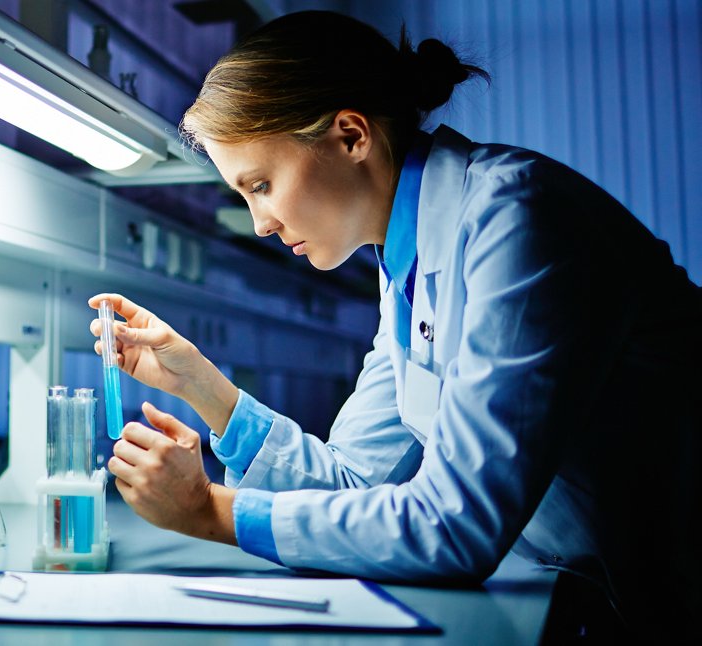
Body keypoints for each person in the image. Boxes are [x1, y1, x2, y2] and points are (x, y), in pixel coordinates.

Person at [91, 11, 701, 639]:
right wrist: (203, 388)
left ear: (351, 136)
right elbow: (355, 482)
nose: (260, 224)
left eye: (263, 185)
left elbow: (455, 526)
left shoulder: (516, 221)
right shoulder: (404, 266)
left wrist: (210, 511)